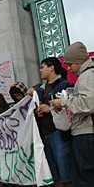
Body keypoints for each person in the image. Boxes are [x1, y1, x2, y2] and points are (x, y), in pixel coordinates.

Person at [50, 42, 94, 187]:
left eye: (70, 64)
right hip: (85, 132)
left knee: (84, 177)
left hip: (86, 132)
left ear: (78, 61)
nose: (68, 68)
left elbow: (88, 104)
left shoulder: (87, 76)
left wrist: (64, 102)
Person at [27, 57, 73, 187]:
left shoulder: (65, 85)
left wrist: (50, 108)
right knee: (52, 172)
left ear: (51, 68)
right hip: (44, 134)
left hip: (58, 133)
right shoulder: (41, 89)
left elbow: (72, 106)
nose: (40, 70)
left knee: (65, 170)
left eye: (42, 67)